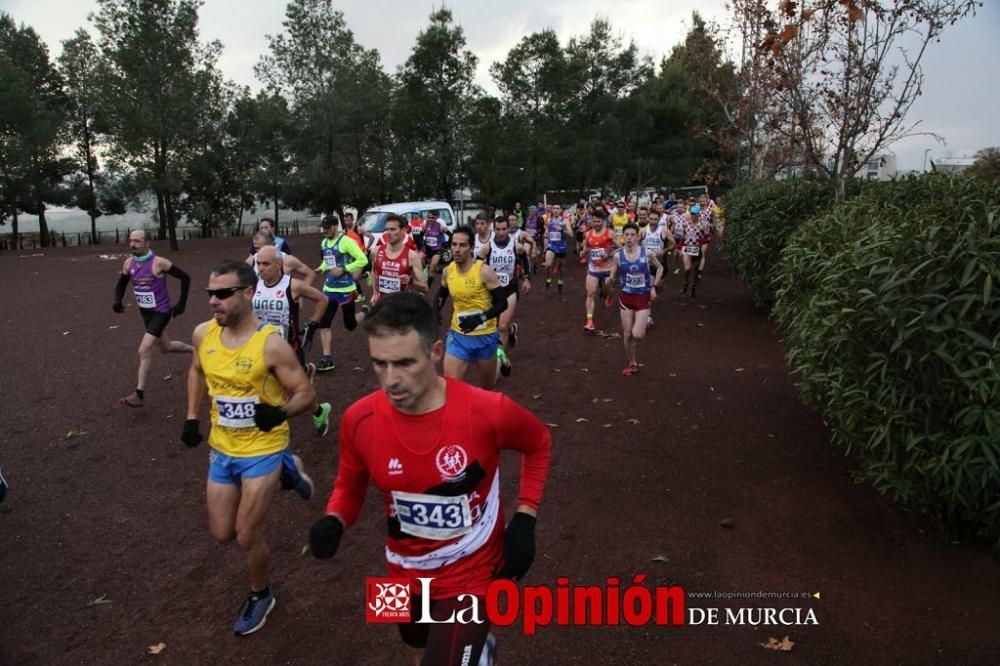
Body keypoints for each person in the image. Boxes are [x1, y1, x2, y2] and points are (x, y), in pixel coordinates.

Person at [308, 292, 552, 666]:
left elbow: (539, 443)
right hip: (400, 567)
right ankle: (480, 650)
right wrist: (334, 519)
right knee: (414, 646)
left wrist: (525, 517)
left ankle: (474, 647)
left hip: (471, 571)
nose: (391, 379)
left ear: (436, 352)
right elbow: (348, 486)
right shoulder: (358, 420)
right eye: (379, 364)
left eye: (405, 363)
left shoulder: (488, 411)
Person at [182, 260, 317, 635]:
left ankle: (261, 594)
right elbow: (195, 370)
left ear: (247, 293)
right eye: (210, 294)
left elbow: (306, 393)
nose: (214, 301)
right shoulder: (201, 335)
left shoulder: (270, 345)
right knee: (221, 533)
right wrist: (191, 417)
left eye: (223, 294)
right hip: (222, 449)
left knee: (245, 534)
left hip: (263, 447)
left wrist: (280, 413)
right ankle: (290, 472)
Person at [252, 245, 332, 435]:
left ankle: (319, 411)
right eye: (258, 264)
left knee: (296, 391)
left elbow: (322, 300)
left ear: (279, 264)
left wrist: (313, 324)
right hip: (262, 345)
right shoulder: (254, 285)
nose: (260, 268)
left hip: (290, 347)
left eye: (265, 264)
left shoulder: (293, 285)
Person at [113, 229, 194, 407]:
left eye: (137, 241)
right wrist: (117, 301)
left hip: (161, 312)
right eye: (131, 241)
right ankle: (196, 351)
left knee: (144, 350)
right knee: (166, 347)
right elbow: (121, 284)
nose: (132, 244)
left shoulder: (159, 263)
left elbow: (185, 278)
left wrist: (181, 304)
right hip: (146, 314)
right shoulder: (128, 263)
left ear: (147, 243)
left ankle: (139, 394)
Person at [435, 226, 507, 390]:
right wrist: (435, 310)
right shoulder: (448, 271)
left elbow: (502, 303)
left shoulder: (484, 271)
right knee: (451, 387)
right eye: (454, 245)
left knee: (487, 387)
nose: (457, 249)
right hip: (458, 335)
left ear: (472, 247)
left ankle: (500, 358)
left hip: (485, 336)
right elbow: (442, 294)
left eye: (462, 245)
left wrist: (480, 318)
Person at [478, 214, 531, 377]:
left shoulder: (517, 246)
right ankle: (512, 330)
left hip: (510, 289)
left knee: (501, 326)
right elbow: (476, 267)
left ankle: (500, 357)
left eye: (504, 229)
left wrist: (526, 279)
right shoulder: (487, 248)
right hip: (491, 291)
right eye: (498, 229)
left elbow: (524, 261)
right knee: (493, 326)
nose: (501, 233)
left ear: (509, 229)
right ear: (494, 229)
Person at [315, 215, 369, 372]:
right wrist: (322, 268)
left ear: (334, 227)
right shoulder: (324, 242)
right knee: (324, 323)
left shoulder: (346, 242)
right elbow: (328, 261)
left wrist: (345, 269)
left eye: (327, 228)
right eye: (322, 228)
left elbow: (363, 260)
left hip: (346, 290)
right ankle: (327, 359)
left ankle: (365, 312)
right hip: (329, 289)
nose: (324, 231)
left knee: (350, 325)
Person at [609, 223, 664, 376]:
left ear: (638, 237)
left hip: (642, 297)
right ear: (623, 237)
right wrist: (610, 281)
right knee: (627, 334)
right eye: (626, 235)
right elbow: (612, 276)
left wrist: (654, 286)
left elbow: (660, 268)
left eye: (632, 235)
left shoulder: (647, 253)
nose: (629, 238)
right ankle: (632, 362)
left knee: (637, 335)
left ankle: (643, 324)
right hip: (625, 297)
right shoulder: (617, 256)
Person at [370, 214, 429, 305]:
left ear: (403, 231)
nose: (388, 233)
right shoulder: (376, 251)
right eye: (387, 229)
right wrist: (374, 293)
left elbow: (425, 288)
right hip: (381, 305)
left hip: (402, 308)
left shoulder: (412, 256)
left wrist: (410, 281)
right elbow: (374, 272)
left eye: (393, 229)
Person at [580, 211, 617, 332]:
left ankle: (610, 294)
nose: (596, 223)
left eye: (598, 221)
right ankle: (589, 322)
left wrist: (609, 254)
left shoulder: (610, 233)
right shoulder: (588, 234)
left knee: (608, 285)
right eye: (594, 221)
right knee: (590, 293)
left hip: (608, 268)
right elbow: (586, 247)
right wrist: (583, 251)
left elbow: (621, 247)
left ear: (603, 221)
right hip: (594, 268)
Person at [247, 232, 316, 286]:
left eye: (262, 247)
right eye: (256, 248)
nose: (259, 251)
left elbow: (310, 274)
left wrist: (301, 293)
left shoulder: (288, 260)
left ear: (273, 244)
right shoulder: (251, 261)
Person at [677, 205, 711, 298]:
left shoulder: (703, 225)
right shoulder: (685, 224)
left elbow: (708, 238)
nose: (693, 215)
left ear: (698, 214)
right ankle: (685, 283)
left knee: (695, 271)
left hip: (697, 249)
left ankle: (693, 287)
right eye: (692, 213)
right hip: (687, 249)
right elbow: (682, 237)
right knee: (687, 269)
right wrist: (680, 248)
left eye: (695, 214)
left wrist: (703, 239)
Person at [542, 204, 573, 294]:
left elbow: (571, 234)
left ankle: (560, 283)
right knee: (547, 265)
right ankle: (548, 281)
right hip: (551, 247)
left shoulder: (565, 221)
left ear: (561, 210)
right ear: (552, 210)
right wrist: (546, 236)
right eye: (554, 209)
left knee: (560, 268)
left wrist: (562, 230)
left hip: (561, 248)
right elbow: (546, 233)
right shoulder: (549, 220)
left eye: (558, 209)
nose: (555, 210)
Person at [420, 210, 450, 289]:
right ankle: (428, 273)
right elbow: (420, 235)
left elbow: (450, 235)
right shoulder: (425, 225)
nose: (431, 219)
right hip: (427, 249)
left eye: (433, 218)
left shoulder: (440, 226)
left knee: (432, 267)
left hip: (437, 250)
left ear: (436, 218)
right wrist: (423, 238)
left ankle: (427, 287)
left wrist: (446, 245)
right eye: (429, 217)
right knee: (421, 263)